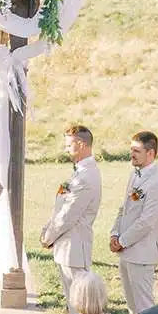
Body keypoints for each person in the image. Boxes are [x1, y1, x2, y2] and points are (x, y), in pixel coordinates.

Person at [40, 123, 103, 304]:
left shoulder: (85, 177)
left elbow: (68, 215)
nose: (66, 149)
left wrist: (48, 237)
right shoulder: (80, 172)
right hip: (67, 246)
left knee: (78, 303)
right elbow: (61, 206)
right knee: (72, 301)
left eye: (69, 145)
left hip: (74, 248)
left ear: (81, 144)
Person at [109, 130, 158, 314]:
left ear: (151, 153)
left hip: (142, 253)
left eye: (137, 151)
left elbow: (147, 221)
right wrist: (114, 233)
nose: (132, 154)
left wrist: (122, 241)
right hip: (126, 251)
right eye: (131, 150)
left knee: (144, 306)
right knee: (132, 306)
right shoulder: (135, 175)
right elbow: (124, 208)